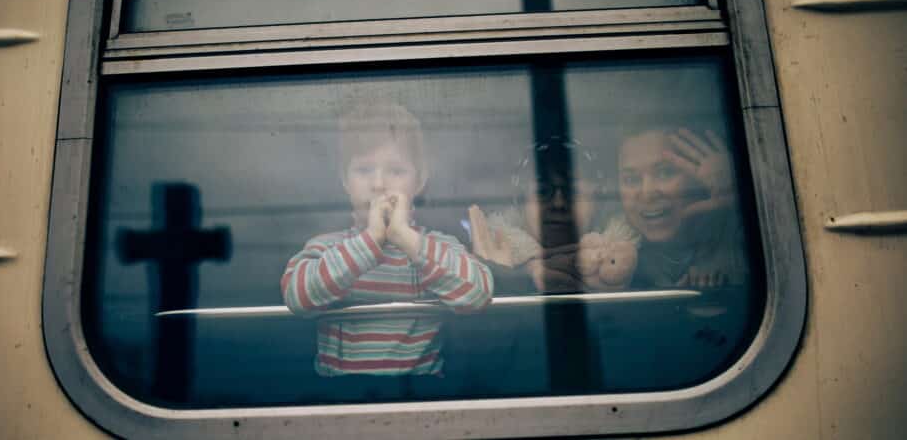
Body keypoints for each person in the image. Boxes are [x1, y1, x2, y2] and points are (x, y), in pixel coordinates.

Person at [281, 103, 493, 378]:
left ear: (419, 181)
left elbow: (478, 295)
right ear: (345, 181)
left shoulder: (437, 247)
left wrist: (405, 239)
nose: (379, 183)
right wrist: (371, 240)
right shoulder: (326, 247)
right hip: (340, 398)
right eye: (364, 170)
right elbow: (296, 297)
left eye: (396, 170)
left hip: (422, 395)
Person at [467, 137, 638, 294]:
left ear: (597, 203)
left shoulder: (637, 264)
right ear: (522, 203)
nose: (558, 203)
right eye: (543, 192)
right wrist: (502, 279)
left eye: (571, 192)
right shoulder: (481, 267)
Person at [617, 126, 749, 289]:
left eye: (665, 172)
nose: (647, 193)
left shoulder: (742, 233)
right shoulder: (609, 250)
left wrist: (742, 193)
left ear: (701, 176)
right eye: (631, 179)